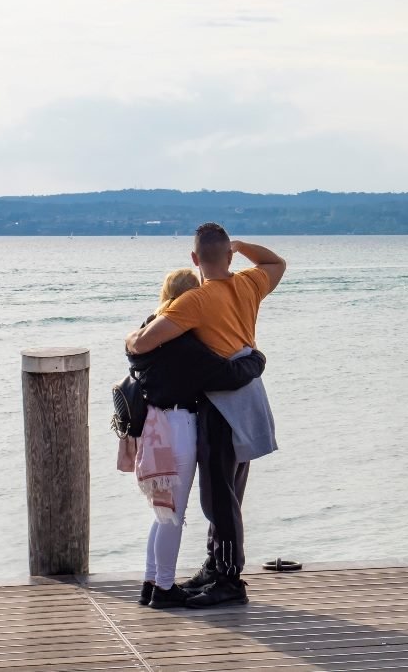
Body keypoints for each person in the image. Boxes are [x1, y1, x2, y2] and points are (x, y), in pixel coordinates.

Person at [126, 224, 286, 607]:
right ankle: (217, 567)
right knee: (229, 492)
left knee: (218, 498)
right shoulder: (249, 283)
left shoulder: (196, 300)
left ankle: (229, 580)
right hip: (250, 399)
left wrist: (130, 338)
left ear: (195, 259)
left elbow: (144, 343)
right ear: (229, 256)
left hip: (222, 404)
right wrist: (243, 245)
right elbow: (276, 262)